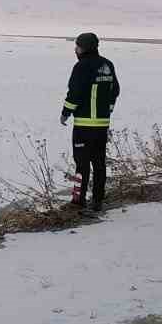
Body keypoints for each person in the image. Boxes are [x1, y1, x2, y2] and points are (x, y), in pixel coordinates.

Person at [60, 32, 120, 214]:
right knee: (99, 163)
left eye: (77, 46)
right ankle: (98, 201)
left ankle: (78, 201)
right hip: (102, 125)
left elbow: (75, 93)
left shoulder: (81, 66)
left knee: (82, 163)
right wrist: (108, 109)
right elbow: (115, 90)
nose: (75, 49)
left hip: (84, 125)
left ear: (84, 48)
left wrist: (65, 112)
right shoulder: (107, 65)